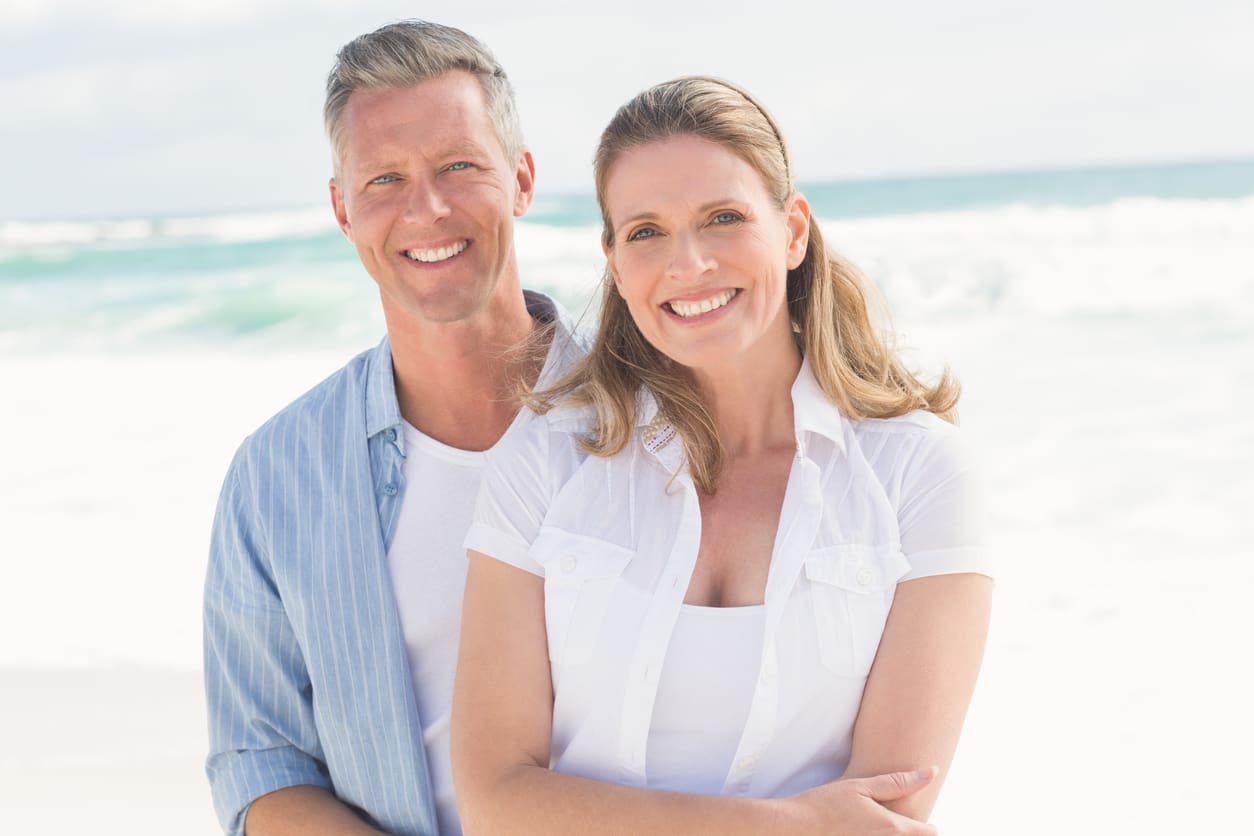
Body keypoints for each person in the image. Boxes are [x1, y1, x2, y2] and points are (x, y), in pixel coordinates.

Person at [452, 76, 993, 834]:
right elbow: (494, 802)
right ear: (614, 259)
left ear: (793, 230)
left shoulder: (919, 475)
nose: (690, 263)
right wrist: (787, 825)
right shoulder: (546, 461)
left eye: (723, 217)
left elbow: (883, 818)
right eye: (646, 231)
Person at [203, 20, 582, 836]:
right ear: (343, 207)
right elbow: (260, 765)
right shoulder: (276, 477)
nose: (428, 209)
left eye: (459, 166)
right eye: (384, 180)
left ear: (520, 179)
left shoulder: (654, 418)